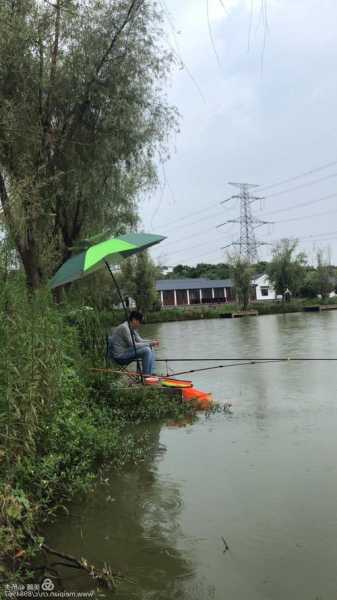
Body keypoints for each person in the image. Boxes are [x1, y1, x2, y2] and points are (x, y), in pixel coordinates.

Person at [108, 310, 159, 375]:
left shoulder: (132, 328)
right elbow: (133, 345)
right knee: (146, 350)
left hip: (126, 352)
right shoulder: (124, 328)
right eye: (139, 322)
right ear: (134, 320)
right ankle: (146, 376)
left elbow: (140, 340)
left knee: (151, 347)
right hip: (120, 357)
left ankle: (151, 373)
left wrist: (152, 342)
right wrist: (149, 344)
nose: (140, 324)